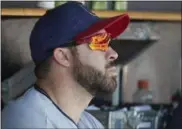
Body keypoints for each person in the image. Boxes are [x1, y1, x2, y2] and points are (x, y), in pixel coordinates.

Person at [2, 1, 130, 128]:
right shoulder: (29, 121)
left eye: (108, 42)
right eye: (99, 41)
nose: (113, 54)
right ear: (63, 56)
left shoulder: (89, 123)